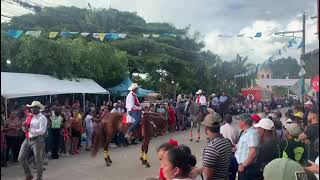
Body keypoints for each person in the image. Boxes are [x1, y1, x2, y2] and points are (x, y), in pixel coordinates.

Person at [190, 113, 232, 180]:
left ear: (206, 128)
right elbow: (215, 165)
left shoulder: (212, 147)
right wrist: (198, 170)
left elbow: (208, 176)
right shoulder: (226, 141)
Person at [18, 101, 47, 180]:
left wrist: (30, 129)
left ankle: (39, 178)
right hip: (28, 139)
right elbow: (25, 128)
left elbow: (42, 131)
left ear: (38, 108)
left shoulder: (42, 118)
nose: (32, 109)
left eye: (34, 107)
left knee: (38, 161)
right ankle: (28, 174)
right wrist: (24, 127)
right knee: (21, 158)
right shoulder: (29, 116)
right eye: (31, 107)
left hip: (38, 140)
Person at [235, 114, 259, 180]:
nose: (238, 123)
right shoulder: (246, 133)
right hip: (243, 167)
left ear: (244, 122)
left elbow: (253, 152)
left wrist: (244, 165)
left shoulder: (251, 134)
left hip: (247, 168)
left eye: (239, 121)